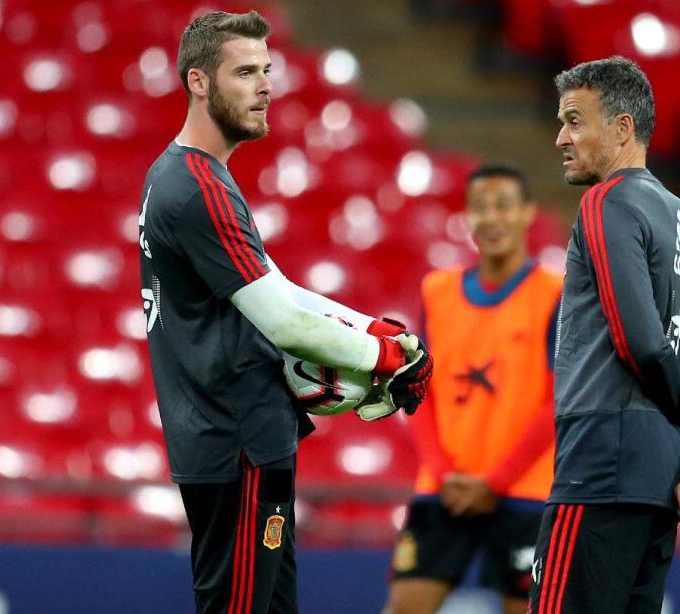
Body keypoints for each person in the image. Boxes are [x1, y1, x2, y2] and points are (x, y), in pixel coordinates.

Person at [137, 11, 432, 613]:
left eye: (267, 70)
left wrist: (369, 329)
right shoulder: (198, 186)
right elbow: (282, 321)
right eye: (245, 72)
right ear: (198, 82)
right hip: (237, 441)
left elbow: (274, 288)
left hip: (232, 443)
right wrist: (384, 357)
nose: (266, 85)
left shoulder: (186, 176)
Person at [527, 56, 680, 614]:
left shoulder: (606, 201)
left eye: (574, 120)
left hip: (599, 469)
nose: (560, 137)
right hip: (660, 480)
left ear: (622, 129)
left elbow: (637, 339)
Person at [384, 165, 561, 614]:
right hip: (445, 488)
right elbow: (415, 389)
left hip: (525, 491)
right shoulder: (437, 290)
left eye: (503, 205)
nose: (491, 217)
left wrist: (495, 482)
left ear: (527, 214)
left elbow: (559, 401)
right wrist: (444, 474)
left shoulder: (556, 293)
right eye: (480, 207)